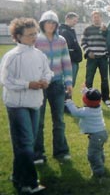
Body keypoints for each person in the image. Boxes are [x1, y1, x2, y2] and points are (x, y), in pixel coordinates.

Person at [0, 18, 52, 194]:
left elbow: (48, 71)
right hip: (17, 104)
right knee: (25, 144)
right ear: (18, 36)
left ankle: (17, 177)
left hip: (34, 102)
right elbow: (6, 80)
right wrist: (27, 84)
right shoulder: (12, 56)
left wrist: (46, 80)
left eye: (35, 33)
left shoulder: (39, 54)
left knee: (25, 143)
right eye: (30, 35)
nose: (34, 37)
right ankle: (29, 183)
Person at [34, 10, 73, 163]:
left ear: (56, 25)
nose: (50, 25)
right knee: (39, 121)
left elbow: (66, 62)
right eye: (47, 22)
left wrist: (69, 82)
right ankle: (38, 154)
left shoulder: (61, 40)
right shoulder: (36, 40)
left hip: (57, 84)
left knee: (59, 120)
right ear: (42, 24)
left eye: (53, 22)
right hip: (40, 85)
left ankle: (61, 151)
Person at [65, 88, 108, 178]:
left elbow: (75, 112)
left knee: (92, 154)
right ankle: (101, 162)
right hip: (103, 133)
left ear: (87, 102)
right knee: (99, 150)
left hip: (96, 136)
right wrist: (85, 91)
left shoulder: (86, 111)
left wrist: (69, 102)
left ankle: (98, 171)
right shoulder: (98, 107)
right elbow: (92, 99)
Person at [81, 11, 110, 106]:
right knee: (89, 79)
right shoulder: (87, 29)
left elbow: (109, 42)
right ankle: (87, 99)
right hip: (92, 58)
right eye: (94, 17)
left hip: (103, 57)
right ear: (92, 18)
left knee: (105, 79)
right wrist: (88, 52)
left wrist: (106, 53)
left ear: (101, 18)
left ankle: (106, 99)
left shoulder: (105, 29)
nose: (96, 19)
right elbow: (83, 42)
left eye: (98, 17)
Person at [58, 12, 83, 89]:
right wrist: (75, 56)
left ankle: (68, 99)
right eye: (74, 21)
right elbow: (66, 49)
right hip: (70, 62)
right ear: (67, 19)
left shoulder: (70, 30)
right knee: (68, 83)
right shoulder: (63, 31)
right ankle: (66, 100)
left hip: (74, 61)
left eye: (76, 21)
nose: (75, 23)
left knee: (71, 83)